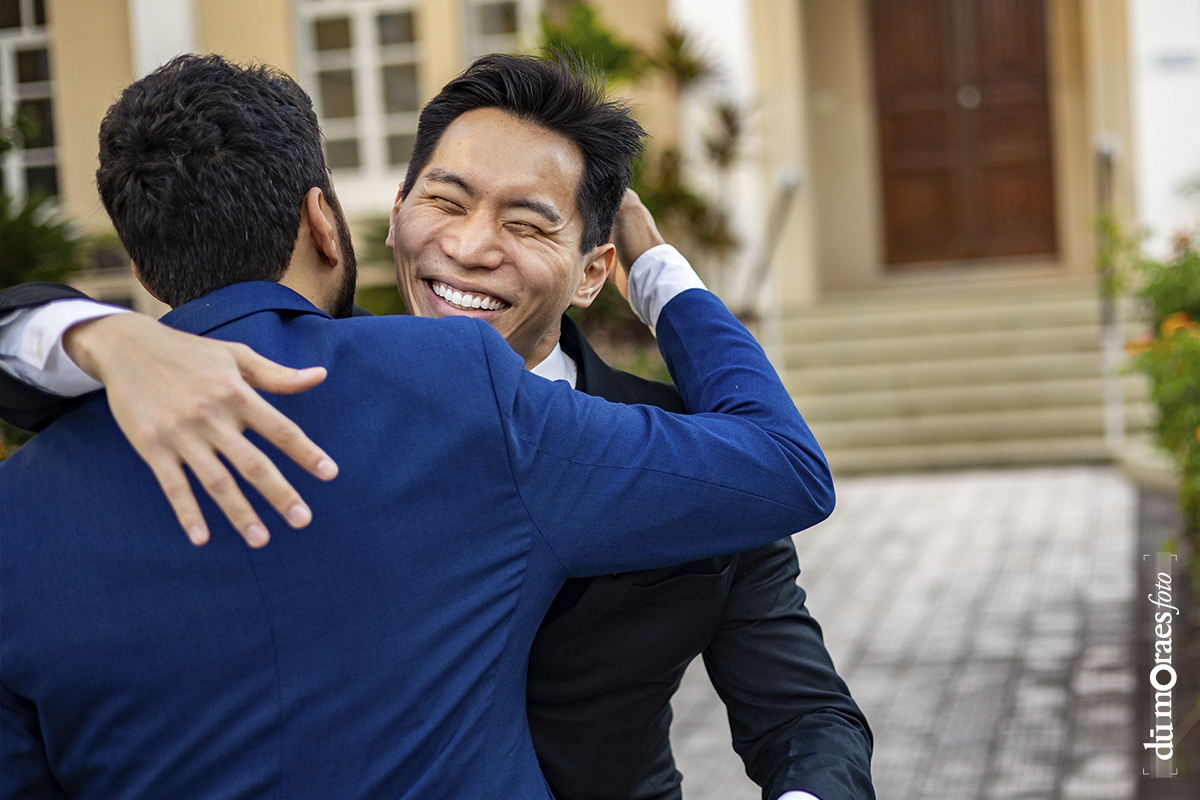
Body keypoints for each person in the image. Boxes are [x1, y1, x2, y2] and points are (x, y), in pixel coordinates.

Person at [0, 55, 871, 800]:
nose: (470, 246)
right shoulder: (402, 391)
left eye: (527, 223)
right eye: (445, 203)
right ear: (364, 223)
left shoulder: (688, 441)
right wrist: (90, 334)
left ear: (592, 271)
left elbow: (804, 715)